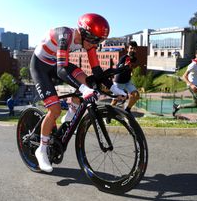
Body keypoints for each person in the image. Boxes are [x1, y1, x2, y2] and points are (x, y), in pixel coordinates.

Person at [30, 13, 127, 172]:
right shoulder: (65, 35)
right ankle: (41, 150)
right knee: (54, 110)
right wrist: (84, 90)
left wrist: (114, 88)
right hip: (40, 66)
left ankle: (70, 115)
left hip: (56, 63)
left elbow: (97, 71)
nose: (95, 45)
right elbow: (62, 70)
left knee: (87, 81)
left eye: (99, 41)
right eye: (94, 41)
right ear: (83, 33)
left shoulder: (89, 42)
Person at [172, 49, 197, 122]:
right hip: (192, 85)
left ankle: (178, 107)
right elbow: (184, 76)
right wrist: (191, 85)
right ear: (196, 55)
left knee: (195, 104)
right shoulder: (192, 64)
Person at [111, 41, 140, 113]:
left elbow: (131, 67)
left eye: (134, 48)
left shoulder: (134, 59)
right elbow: (118, 68)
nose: (133, 50)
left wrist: (131, 72)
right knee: (115, 100)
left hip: (127, 81)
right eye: (131, 48)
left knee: (136, 95)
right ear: (128, 49)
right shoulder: (124, 58)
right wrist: (124, 66)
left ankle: (127, 110)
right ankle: (109, 113)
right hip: (119, 82)